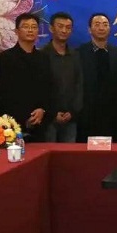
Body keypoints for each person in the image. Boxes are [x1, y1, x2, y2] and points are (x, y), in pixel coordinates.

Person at [0, 13, 52, 141]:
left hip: (40, 121)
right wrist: (24, 118)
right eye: (26, 26)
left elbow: (48, 88)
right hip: (14, 123)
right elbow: (5, 92)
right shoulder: (6, 57)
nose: (30, 30)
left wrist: (43, 110)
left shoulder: (44, 58)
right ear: (17, 31)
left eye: (34, 27)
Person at [77, 13, 117, 141]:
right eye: (97, 24)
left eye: (105, 25)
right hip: (87, 112)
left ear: (109, 28)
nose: (101, 28)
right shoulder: (80, 52)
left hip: (112, 113)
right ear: (89, 29)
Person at [41, 12, 83, 143]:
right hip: (48, 118)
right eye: (60, 26)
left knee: (69, 153)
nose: (64, 30)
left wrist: (73, 111)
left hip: (71, 117)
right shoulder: (42, 55)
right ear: (51, 28)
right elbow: (40, 88)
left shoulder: (75, 55)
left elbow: (79, 84)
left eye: (68, 27)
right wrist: (52, 113)